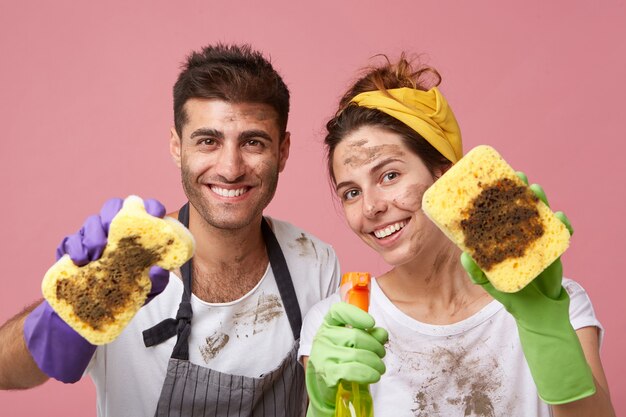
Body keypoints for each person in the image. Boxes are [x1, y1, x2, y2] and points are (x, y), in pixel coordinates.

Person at [0, 44, 341, 417]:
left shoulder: (315, 262)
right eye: (208, 141)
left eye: (253, 142)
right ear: (177, 147)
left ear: (284, 150)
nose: (230, 168)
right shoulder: (123, 264)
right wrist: (64, 312)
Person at [299, 54, 616, 417]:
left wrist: (544, 326)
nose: (370, 207)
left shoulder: (555, 303)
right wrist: (324, 406)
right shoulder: (341, 323)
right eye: (351, 192)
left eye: (389, 176)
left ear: (445, 175)